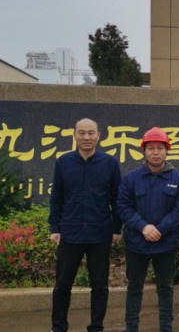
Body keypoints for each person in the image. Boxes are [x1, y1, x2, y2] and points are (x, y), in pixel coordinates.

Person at [48, 118, 122, 332]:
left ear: (99, 135)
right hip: (70, 232)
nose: (86, 137)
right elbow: (56, 197)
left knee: (99, 286)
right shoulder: (63, 162)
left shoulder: (109, 163)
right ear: (74, 135)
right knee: (62, 285)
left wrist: (116, 228)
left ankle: (96, 327)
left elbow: (117, 198)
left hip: (100, 233)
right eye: (82, 133)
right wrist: (55, 227)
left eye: (91, 133)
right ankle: (58, 327)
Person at [117, 127, 179, 332]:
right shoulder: (132, 178)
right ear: (144, 151)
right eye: (151, 148)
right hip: (136, 243)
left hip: (166, 244)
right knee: (134, 287)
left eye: (160, 148)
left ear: (167, 150)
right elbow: (123, 206)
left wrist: (159, 230)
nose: (155, 152)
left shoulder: (178, 179)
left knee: (165, 288)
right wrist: (143, 227)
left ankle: (166, 327)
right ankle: (131, 327)